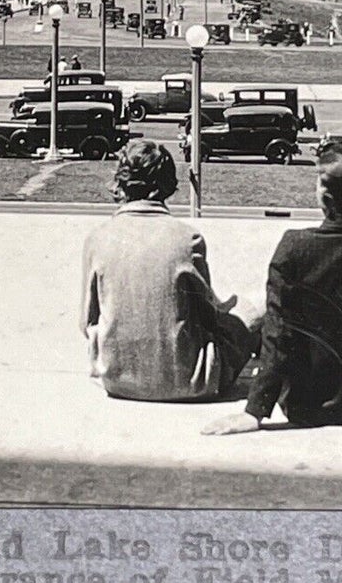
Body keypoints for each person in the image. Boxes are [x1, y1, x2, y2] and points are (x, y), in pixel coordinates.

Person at [202, 144, 342, 435]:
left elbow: (277, 334)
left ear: (325, 194)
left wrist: (255, 410)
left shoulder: (295, 247)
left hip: (307, 405)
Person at [80, 141, 259, 402]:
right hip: (190, 382)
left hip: (117, 382)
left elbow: (87, 322)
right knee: (256, 308)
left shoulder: (97, 239)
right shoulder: (188, 239)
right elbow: (209, 319)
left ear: (121, 183)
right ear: (166, 185)